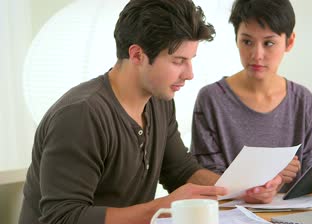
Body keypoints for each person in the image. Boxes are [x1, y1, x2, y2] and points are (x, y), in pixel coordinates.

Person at [19, 0, 282, 223]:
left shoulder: (160, 101)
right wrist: (164, 206)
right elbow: (62, 217)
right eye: (178, 61)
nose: (189, 74)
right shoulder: (81, 115)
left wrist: (240, 190)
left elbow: (181, 171)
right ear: (137, 55)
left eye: (190, 60)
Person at [191, 0, 312, 196]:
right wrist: (260, 182)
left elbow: (309, 162)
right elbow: (206, 175)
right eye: (247, 41)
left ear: (289, 42)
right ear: (236, 39)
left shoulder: (302, 99)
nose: (257, 55)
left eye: (269, 43)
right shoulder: (211, 100)